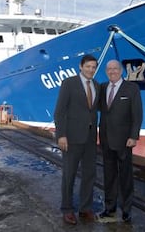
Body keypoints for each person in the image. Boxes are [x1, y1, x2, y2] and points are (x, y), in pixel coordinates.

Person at [54, 54, 100, 225]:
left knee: (90, 174)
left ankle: (85, 208)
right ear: (81, 66)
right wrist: (61, 135)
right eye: (88, 66)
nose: (91, 70)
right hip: (71, 137)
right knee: (69, 174)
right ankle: (67, 209)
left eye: (94, 67)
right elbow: (60, 111)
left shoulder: (96, 85)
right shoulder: (69, 83)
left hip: (89, 138)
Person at [98, 59, 143, 223]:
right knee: (108, 176)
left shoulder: (132, 88)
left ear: (121, 71)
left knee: (125, 176)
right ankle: (109, 208)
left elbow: (137, 115)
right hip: (106, 139)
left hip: (125, 140)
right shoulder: (102, 88)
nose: (112, 71)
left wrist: (133, 136)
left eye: (115, 69)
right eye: (109, 69)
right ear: (106, 71)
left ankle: (126, 210)